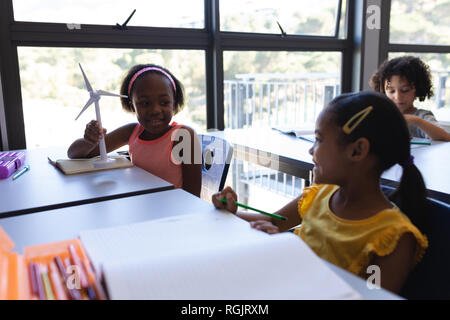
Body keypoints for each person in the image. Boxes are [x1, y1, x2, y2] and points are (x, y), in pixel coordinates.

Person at [212, 91, 429, 294]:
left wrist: (292, 256)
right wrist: (232, 212)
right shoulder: (320, 195)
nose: (310, 150)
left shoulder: (394, 237)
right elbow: (273, 222)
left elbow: (371, 297)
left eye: (318, 140)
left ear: (357, 150)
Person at [68, 64, 202, 197]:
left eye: (164, 102)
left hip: (176, 212)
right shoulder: (132, 131)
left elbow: (194, 195)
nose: (155, 110)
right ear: (132, 105)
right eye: (144, 103)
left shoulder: (184, 136)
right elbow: (74, 153)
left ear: (174, 102)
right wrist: (89, 141)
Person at [369, 55, 450, 141]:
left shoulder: (422, 116)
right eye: (391, 91)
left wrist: (417, 121)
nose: (398, 97)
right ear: (383, 91)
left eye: (405, 90)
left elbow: (446, 137)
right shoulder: (380, 114)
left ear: (418, 89)